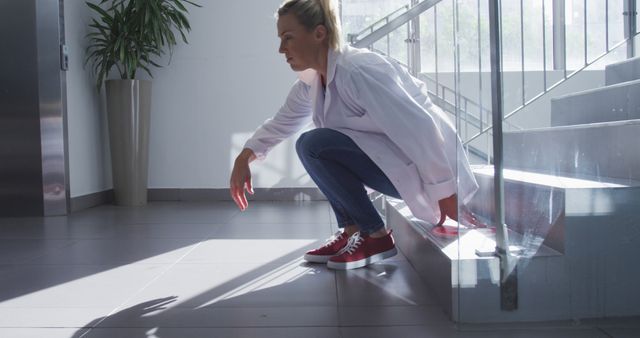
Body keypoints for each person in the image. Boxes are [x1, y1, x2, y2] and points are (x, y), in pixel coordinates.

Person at [230, 0, 479, 270]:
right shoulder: (313, 82)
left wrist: (445, 191)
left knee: (312, 143)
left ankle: (376, 235)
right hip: (396, 166)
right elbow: (282, 122)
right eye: (280, 39)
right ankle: (352, 233)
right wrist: (244, 156)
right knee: (312, 144)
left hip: (426, 168)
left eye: (288, 38)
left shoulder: (358, 70)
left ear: (319, 33)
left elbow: (420, 127)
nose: (281, 49)